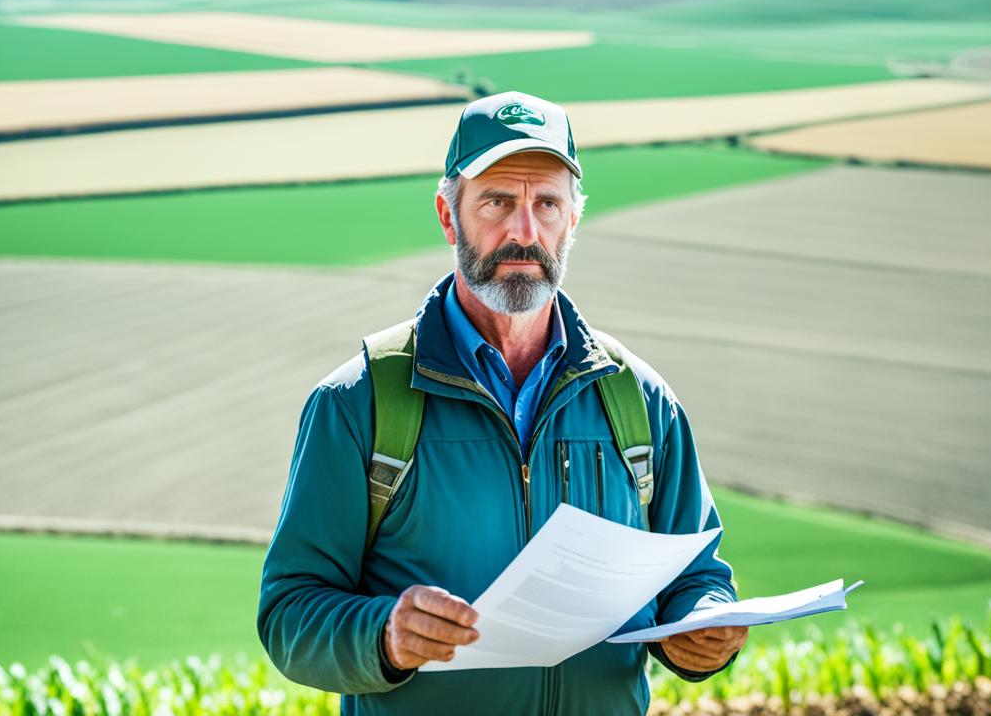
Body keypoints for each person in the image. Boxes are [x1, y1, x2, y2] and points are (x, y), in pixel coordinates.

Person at [258, 91, 746, 714]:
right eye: (496, 202)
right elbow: (289, 612)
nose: (524, 231)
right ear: (447, 214)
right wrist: (383, 635)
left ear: (574, 219)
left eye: (547, 204)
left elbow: (698, 576)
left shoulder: (638, 399)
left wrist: (703, 627)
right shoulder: (358, 404)